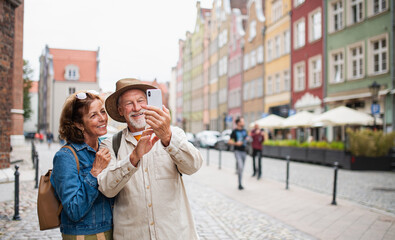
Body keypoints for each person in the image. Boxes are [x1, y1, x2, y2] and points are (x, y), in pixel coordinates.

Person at [97, 78, 203, 240]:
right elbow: (106, 189)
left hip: (174, 234)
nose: (137, 108)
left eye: (141, 101)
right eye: (129, 103)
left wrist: (168, 137)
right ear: (120, 110)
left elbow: (193, 166)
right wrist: (133, 158)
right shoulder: (110, 144)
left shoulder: (174, 134)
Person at [50, 90, 114, 239]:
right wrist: (95, 172)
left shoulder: (107, 148)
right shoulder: (65, 157)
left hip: (110, 231)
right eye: (93, 115)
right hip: (83, 234)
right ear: (79, 124)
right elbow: (74, 210)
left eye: (102, 112)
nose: (102, 118)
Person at [228, 117, 248, 190]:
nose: (243, 122)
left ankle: (240, 183)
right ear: (238, 123)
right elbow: (229, 141)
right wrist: (236, 143)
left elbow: (246, 138)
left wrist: (248, 139)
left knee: (241, 169)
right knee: (240, 167)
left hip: (244, 152)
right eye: (242, 121)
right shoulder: (234, 131)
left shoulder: (244, 131)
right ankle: (239, 184)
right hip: (237, 151)